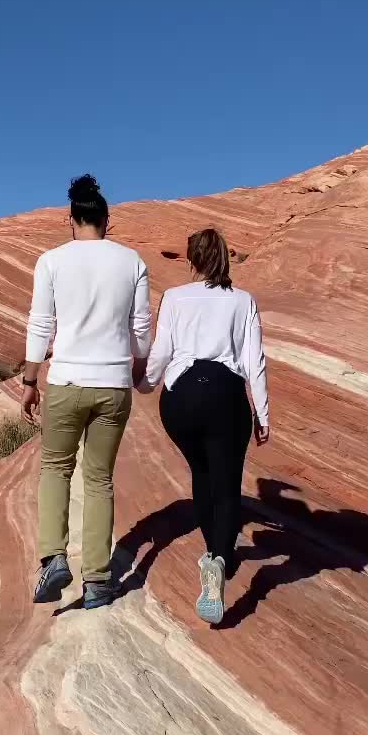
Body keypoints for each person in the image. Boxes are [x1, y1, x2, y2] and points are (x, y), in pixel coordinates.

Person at [22, 175, 151, 610]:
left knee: (56, 469)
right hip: (113, 386)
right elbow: (140, 331)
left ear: (71, 219)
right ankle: (97, 580)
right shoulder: (132, 261)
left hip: (67, 381)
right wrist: (131, 366)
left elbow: (41, 324)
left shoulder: (52, 261)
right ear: (106, 220)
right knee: (100, 480)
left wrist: (29, 380)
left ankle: (54, 558)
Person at [137, 228, 269, 625]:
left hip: (181, 400)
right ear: (225, 259)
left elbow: (162, 351)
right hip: (226, 396)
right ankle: (218, 561)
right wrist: (262, 412)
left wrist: (144, 384)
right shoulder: (243, 301)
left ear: (191, 261)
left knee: (201, 472)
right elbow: (254, 361)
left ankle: (214, 550)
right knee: (227, 487)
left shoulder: (175, 298)